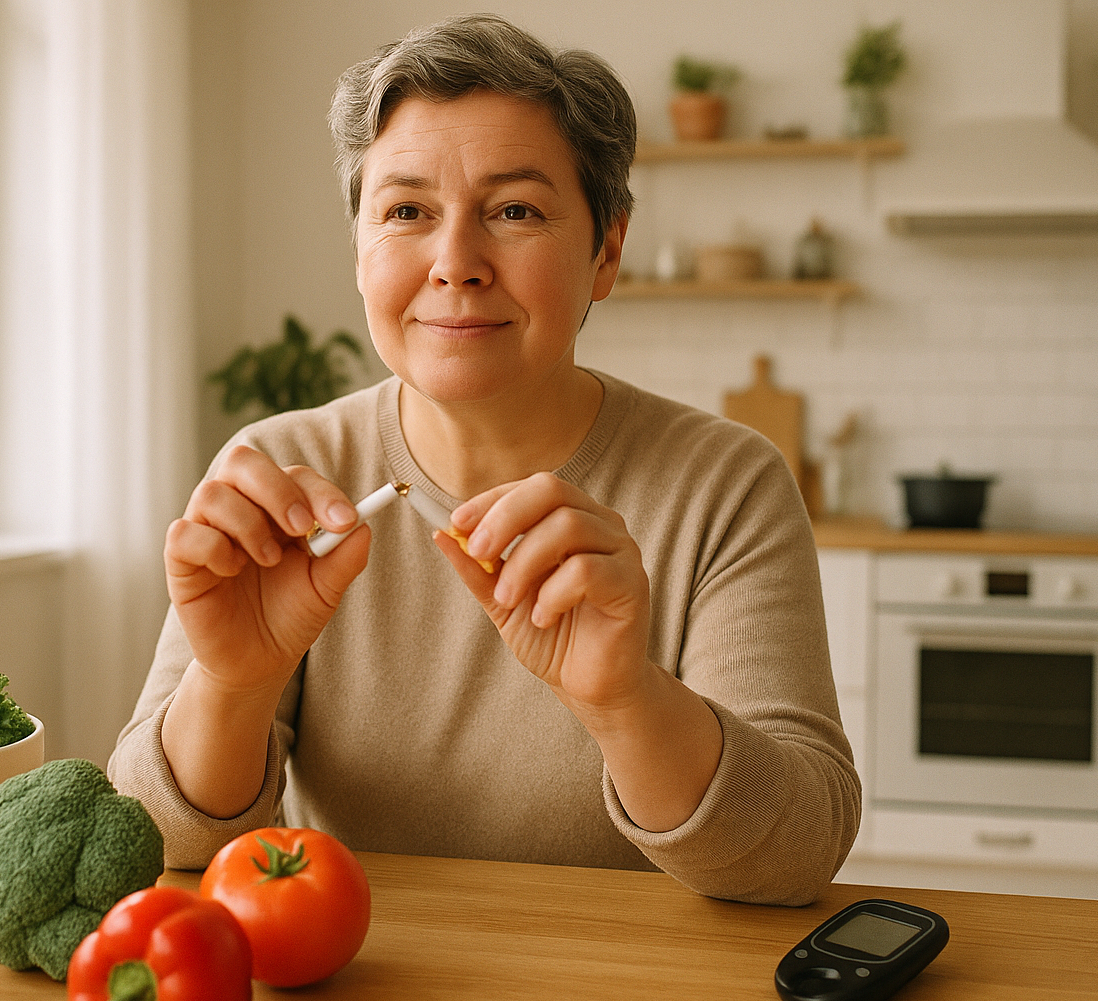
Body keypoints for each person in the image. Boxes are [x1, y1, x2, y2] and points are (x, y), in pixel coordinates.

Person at [110, 13, 858, 906]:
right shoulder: (283, 472)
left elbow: (799, 852)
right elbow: (154, 840)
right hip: (361, 983)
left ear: (606, 250)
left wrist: (625, 699)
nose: (455, 262)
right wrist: (234, 680)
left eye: (515, 211)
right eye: (406, 212)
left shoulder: (725, 485)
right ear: (359, 248)